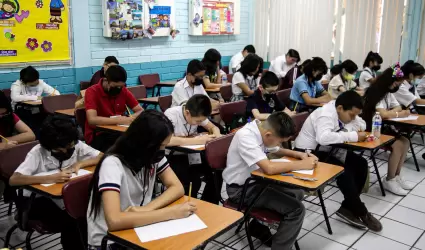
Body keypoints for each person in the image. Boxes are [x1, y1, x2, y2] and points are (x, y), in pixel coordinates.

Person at [87, 110, 189, 249]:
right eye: (160, 146)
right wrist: (170, 213)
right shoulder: (112, 164)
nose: (162, 151)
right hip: (110, 240)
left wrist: (147, 209)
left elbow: (177, 187)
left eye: (164, 146)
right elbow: (114, 221)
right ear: (143, 143)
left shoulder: (151, 155)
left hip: (137, 227)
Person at [224, 112, 317, 249]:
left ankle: (257, 226)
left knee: (297, 193)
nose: (279, 144)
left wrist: (299, 154)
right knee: (296, 210)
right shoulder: (246, 136)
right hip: (241, 190)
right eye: (279, 140)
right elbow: (269, 168)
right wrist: (302, 164)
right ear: (268, 135)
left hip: (257, 182)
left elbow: (276, 149)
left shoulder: (261, 129)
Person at [10, 116, 103, 250]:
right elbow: (14, 180)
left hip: (63, 198)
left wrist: (80, 163)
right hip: (37, 201)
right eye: (60, 150)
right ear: (48, 146)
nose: (67, 152)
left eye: (70, 147)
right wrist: (49, 178)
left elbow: (102, 156)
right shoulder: (37, 152)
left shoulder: (75, 144)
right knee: (74, 219)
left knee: (90, 211)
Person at [295, 91, 382, 231]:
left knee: (361, 164)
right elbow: (323, 138)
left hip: (329, 149)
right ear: (340, 108)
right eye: (352, 115)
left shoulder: (343, 111)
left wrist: (353, 124)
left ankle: (347, 208)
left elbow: (361, 125)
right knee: (343, 172)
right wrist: (353, 135)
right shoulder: (325, 114)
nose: (354, 118)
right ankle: (361, 211)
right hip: (308, 153)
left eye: (356, 114)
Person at [362, 64, 413, 196]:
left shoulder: (387, 94)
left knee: (406, 141)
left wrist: (392, 112)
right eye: (396, 83)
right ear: (389, 81)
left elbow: (398, 107)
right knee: (398, 145)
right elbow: (384, 114)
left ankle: (396, 176)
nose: (396, 86)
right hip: (372, 129)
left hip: (383, 126)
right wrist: (396, 114)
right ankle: (389, 180)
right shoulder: (374, 92)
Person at [165, 94, 221, 204]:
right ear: (187, 113)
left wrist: (216, 136)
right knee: (193, 180)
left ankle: (208, 204)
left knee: (217, 171)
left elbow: (214, 127)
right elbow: (168, 140)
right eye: (198, 121)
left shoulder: (197, 114)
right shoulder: (171, 114)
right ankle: (186, 207)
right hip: (173, 156)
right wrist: (197, 140)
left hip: (192, 154)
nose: (200, 123)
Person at [85, 65, 143, 152]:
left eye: (121, 86)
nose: (118, 89)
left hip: (119, 131)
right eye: (115, 86)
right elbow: (92, 119)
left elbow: (140, 111)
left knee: (141, 143)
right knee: (121, 150)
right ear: (106, 80)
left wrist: (130, 118)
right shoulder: (92, 91)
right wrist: (119, 120)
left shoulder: (123, 90)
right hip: (98, 134)